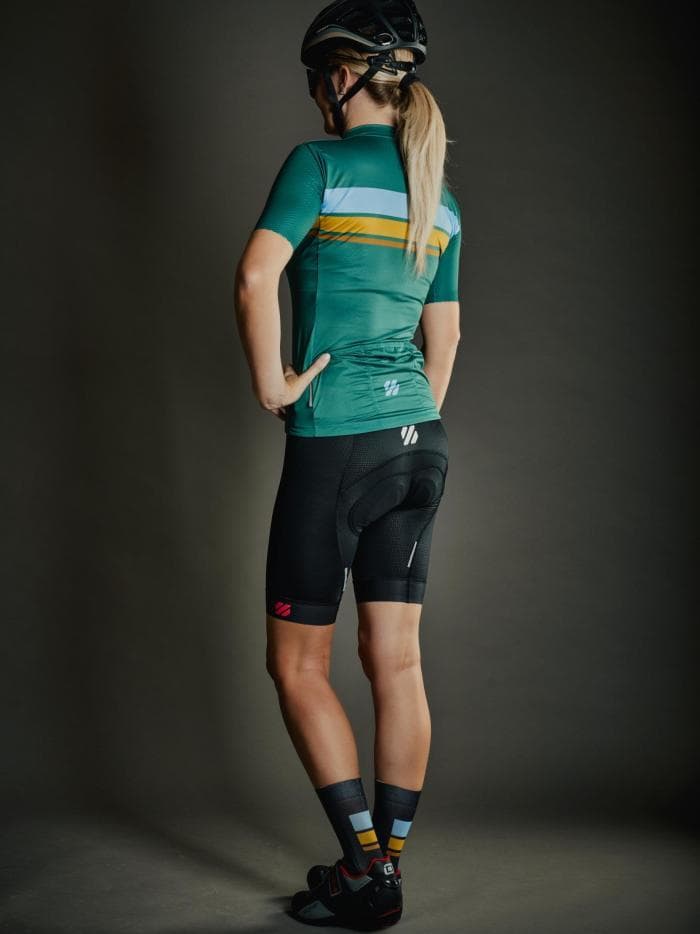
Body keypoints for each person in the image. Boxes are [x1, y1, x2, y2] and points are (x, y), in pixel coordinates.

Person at [234, 0, 461, 927]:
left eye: (314, 80)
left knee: (297, 667)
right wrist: (407, 416)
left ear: (340, 76)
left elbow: (255, 275)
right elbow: (445, 339)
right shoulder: (438, 192)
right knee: (397, 664)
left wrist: (275, 387)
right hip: (421, 444)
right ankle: (385, 866)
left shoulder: (317, 164)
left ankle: (368, 876)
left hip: (338, 442)